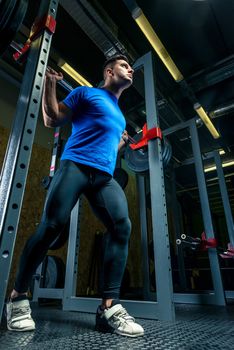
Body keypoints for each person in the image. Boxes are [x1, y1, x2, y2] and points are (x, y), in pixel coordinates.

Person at [6, 54, 144, 337]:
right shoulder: (86, 93)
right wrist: (49, 84)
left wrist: (119, 143)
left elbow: (106, 149)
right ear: (109, 71)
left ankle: (109, 308)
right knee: (52, 226)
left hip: (102, 177)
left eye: (131, 67)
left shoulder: (119, 115)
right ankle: (17, 297)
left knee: (122, 226)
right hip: (75, 166)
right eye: (124, 65)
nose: (130, 69)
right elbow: (52, 118)